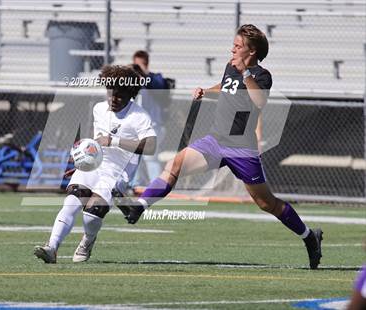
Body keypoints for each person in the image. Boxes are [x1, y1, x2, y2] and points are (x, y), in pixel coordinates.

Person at [121, 24, 323, 270]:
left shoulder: (262, 75)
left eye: (238, 46)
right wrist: (206, 91)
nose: (232, 49)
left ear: (252, 51)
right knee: (174, 164)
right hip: (216, 140)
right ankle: (139, 207)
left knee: (266, 203)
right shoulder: (231, 66)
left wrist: (246, 74)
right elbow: (226, 87)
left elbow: (258, 101)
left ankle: (309, 237)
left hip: (242, 148)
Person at [34, 65, 156, 264]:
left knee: (92, 213)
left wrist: (114, 141)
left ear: (130, 94)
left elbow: (151, 146)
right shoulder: (99, 108)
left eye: (118, 96)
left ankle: (88, 240)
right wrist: (84, 159)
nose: (112, 99)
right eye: (110, 93)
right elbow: (96, 140)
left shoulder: (139, 116)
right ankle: (52, 248)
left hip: (117, 173)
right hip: (93, 166)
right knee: (71, 202)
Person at [131, 50, 170, 185]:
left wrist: (145, 73)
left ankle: (156, 185)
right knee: (133, 156)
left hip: (153, 125)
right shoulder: (132, 81)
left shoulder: (155, 79)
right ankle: (135, 185)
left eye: (139, 66)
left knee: (150, 157)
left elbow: (160, 86)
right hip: (136, 126)